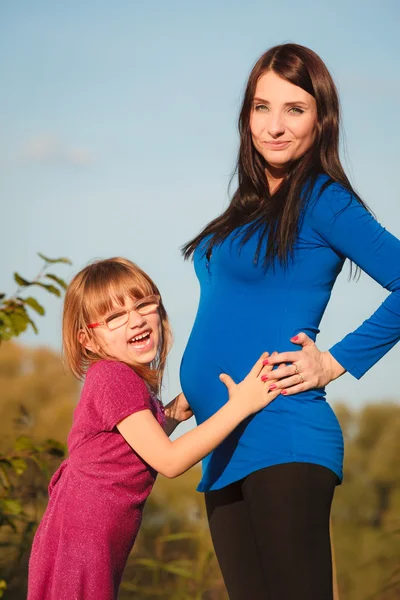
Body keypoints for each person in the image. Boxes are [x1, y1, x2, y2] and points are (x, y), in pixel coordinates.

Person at [180, 43, 400, 600]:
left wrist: (336, 362)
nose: (274, 126)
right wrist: (190, 394)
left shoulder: (323, 200)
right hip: (222, 443)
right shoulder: (249, 206)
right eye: (261, 108)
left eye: (294, 110)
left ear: (321, 119)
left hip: (284, 434)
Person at [27, 257, 281, 600]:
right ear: (88, 340)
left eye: (143, 304)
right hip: (82, 538)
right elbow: (169, 460)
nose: (135, 320)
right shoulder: (113, 376)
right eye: (115, 317)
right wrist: (241, 405)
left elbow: (126, 447)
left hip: (80, 532)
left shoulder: (119, 379)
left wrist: (175, 411)